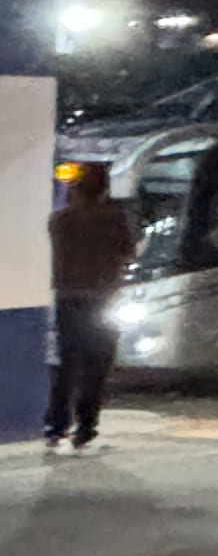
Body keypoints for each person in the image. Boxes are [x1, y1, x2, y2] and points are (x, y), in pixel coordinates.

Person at [45, 166, 139, 457]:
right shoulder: (114, 220)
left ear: (75, 190)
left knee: (67, 364)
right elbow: (129, 251)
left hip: (68, 299)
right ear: (104, 191)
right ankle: (86, 428)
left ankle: (56, 426)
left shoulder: (60, 220)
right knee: (96, 366)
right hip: (103, 299)